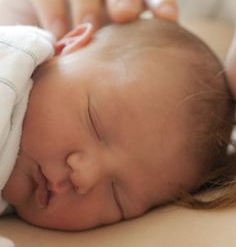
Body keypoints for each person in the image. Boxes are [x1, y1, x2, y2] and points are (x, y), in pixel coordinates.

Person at [0, 17, 234, 231]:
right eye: (94, 123)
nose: (85, 177)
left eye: (117, 197)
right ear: (67, 46)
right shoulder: (12, 63)